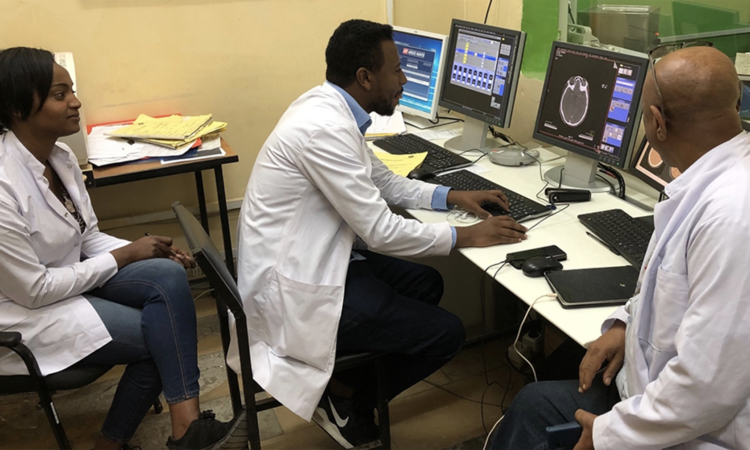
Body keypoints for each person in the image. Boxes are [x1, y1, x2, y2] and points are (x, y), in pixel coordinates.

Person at [235, 19, 528, 448]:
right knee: (447, 333)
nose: (404, 80)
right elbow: (380, 231)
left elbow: (384, 182)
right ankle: (350, 398)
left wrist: (453, 196)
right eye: (396, 70)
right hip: (296, 285)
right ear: (365, 77)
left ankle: (342, 383)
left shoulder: (329, 107)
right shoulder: (324, 129)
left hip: (319, 258)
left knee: (428, 282)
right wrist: (467, 236)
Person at [490, 46, 750, 449]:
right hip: (662, 397)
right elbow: (669, 291)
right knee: (537, 397)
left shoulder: (732, 216)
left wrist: (608, 435)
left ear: (656, 122)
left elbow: (707, 387)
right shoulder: (712, 183)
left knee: (534, 409)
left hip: (699, 430)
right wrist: (626, 323)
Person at [0, 47, 246, 450]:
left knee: (166, 275)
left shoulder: (59, 158)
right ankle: (133, 441)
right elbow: (32, 289)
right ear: (15, 108)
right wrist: (124, 256)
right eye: (60, 95)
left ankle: (184, 428)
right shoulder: (3, 183)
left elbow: (87, 236)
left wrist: (142, 248)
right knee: (159, 339)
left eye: (72, 91)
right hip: (24, 312)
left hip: (65, 283)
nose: (76, 102)